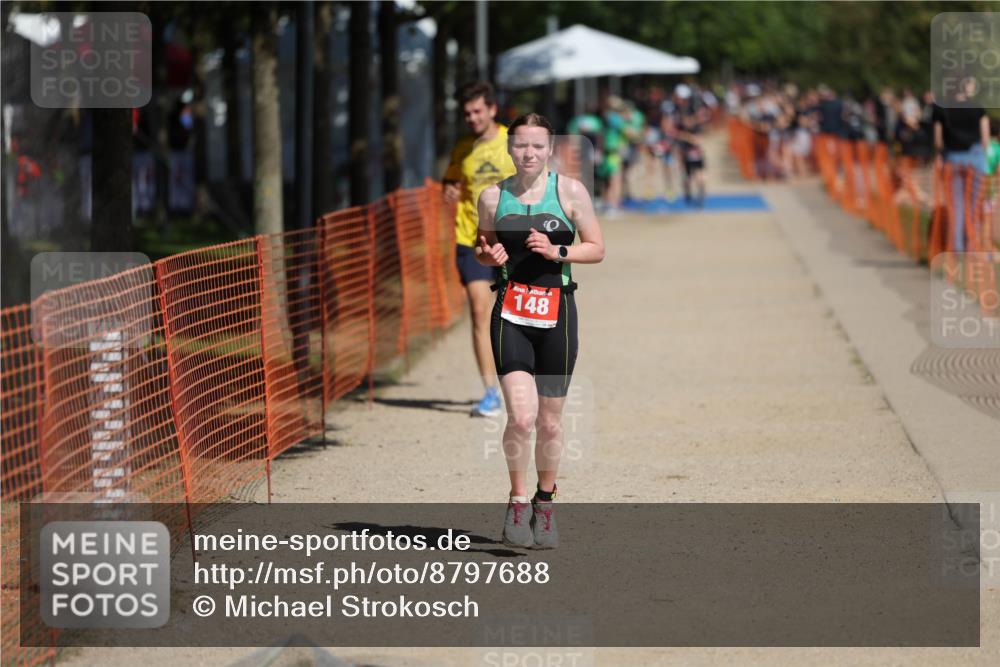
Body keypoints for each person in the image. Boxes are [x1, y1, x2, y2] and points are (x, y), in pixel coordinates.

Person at [475, 113, 605, 549]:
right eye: (520, 146)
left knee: (550, 423)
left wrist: (557, 250)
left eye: (536, 146)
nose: (528, 153)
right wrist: (489, 255)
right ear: (509, 149)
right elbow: (483, 246)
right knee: (522, 417)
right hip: (511, 311)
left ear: (549, 149)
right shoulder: (492, 197)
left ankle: (544, 503)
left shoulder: (570, 191)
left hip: (558, 316)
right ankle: (515, 499)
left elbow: (597, 248)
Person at [443, 82, 517, 417]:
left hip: (512, 240)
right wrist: (448, 189)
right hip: (470, 240)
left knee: (513, 315)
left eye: (477, 111)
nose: (472, 118)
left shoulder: (512, 142)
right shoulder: (462, 148)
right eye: (467, 113)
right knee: (478, 310)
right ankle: (490, 392)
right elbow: (452, 179)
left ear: (492, 110)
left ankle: (520, 383)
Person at [932, 77, 989, 252]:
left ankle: (956, 249)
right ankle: (971, 246)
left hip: (953, 159)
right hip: (975, 158)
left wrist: (942, 154)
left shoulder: (942, 109)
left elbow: (938, 141)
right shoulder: (978, 108)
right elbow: (985, 137)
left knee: (956, 206)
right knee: (973, 207)